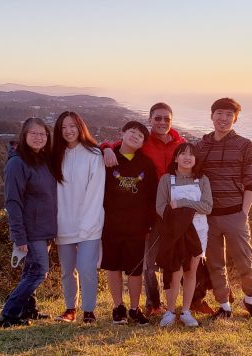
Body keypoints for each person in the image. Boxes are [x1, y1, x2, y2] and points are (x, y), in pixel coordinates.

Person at [102, 103, 195, 315]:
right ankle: (153, 303)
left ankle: (188, 302)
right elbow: (118, 144)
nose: (162, 122)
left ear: (171, 121)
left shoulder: (181, 145)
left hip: (180, 209)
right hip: (154, 211)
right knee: (148, 261)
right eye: (157, 118)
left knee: (181, 257)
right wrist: (106, 147)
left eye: (166, 119)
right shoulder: (144, 142)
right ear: (150, 119)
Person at [196, 98, 252, 319]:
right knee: (215, 264)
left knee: (245, 261)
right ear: (212, 116)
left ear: (235, 118)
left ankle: (250, 300)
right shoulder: (201, 145)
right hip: (209, 216)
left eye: (228, 115)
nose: (223, 119)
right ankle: (224, 306)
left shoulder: (244, 144)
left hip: (235, 213)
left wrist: (244, 213)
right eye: (219, 113)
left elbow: (251, 180)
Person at [0, 118, 56, 327]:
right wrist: (19, 236)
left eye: (43, 134)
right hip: (31, 231)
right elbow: (12, 202)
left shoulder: (43, 159)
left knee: (30, 269)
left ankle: (28, 309)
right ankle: (9, 313)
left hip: (45, 228)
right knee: (39, 271)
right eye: (34, 133)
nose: (39, 137)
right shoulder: (17, 162)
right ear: (24, 135)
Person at [100, 121, 157, 326]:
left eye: (140, 136)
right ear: (122, 133)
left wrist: (149, 223)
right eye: (132, 132)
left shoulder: (147, 164)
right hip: (111, 223)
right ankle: (118, 307)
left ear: (143, 143)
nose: (135, 137)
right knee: (112, 266)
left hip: (137, 225)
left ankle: (134, 308)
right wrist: (106, 148)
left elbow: (152, 196)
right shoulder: (108, 158)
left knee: (135, 269)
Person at [51, 111, 105, 324]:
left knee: (86, 268)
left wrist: (88, 223)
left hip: (89, 222)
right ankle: (70, 309)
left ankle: (89, 310)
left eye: (72, 126)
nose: (68, 131)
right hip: (62, 222)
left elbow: (96, 191)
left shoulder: (93, 154)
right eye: (63, 128)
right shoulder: (56, 155)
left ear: (80, 127)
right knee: (67, 270)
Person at [155, 143, 213, 327]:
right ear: (175, 158)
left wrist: (182, 203)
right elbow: (160, 207)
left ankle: (186, 311)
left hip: (197, 231)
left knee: (191, 271)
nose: (187, 157)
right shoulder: (166, 179)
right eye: (183, 154)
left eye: (191, 155)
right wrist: (180, 217)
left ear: (195, 160)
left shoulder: (202, 180)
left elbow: (207, 207)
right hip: (174, 231)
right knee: (174, 271)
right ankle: (170, 312)